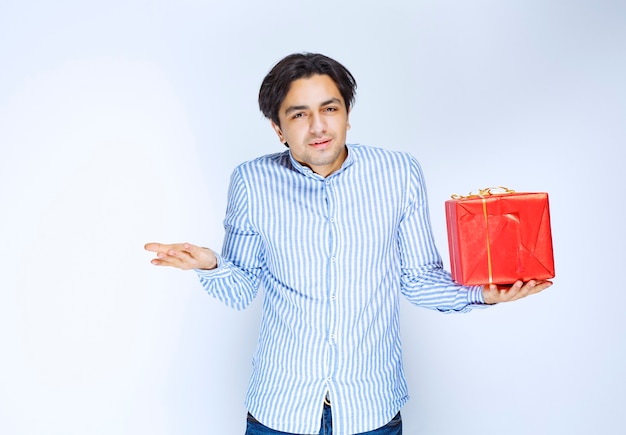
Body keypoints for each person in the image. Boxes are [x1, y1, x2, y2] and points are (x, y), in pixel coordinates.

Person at [144, 53, 552, 435]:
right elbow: (240, 289)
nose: (318, 126)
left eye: (330, 108)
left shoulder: (399, 173)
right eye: (299, 114)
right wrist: (211, 264)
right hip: (279, 410)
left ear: (347, 115)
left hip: (371, 409)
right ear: (277, 128)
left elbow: (418, 278)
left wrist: (482, 294)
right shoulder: (252, 181)